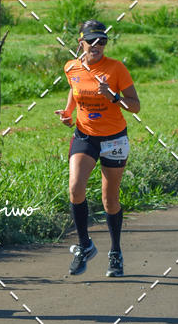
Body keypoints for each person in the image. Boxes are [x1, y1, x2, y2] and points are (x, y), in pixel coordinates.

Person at [55, 20, 141, 276]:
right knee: (75, 188)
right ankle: (85, 245)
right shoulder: (71, 67)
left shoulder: (116, 68)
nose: (97, 45)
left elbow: (135, 106)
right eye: (91, 40)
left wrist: (113, 97)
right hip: (85, 135)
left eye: (102, 41)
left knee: (110, 200)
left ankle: (115, 252)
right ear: (80, 42)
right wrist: (68, 112)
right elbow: (75, 89)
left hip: (114, 138)